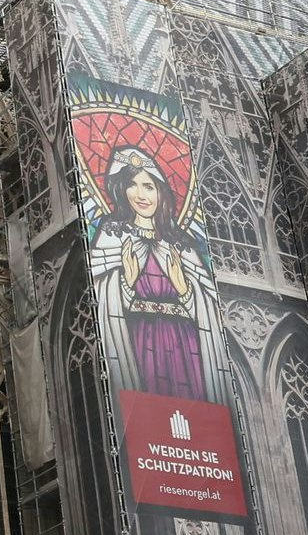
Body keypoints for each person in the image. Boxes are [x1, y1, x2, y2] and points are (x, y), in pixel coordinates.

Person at [86, 141, 213, 396]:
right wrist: (126, 282)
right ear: (122, 191)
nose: (141, 195)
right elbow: (99, 299)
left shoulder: (181, 244)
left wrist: (184, 289)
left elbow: (208, 309)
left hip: (185, 346)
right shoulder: (113, 235)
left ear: (160, 192)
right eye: (132, 185)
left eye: (148, 186)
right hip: (137, 340)